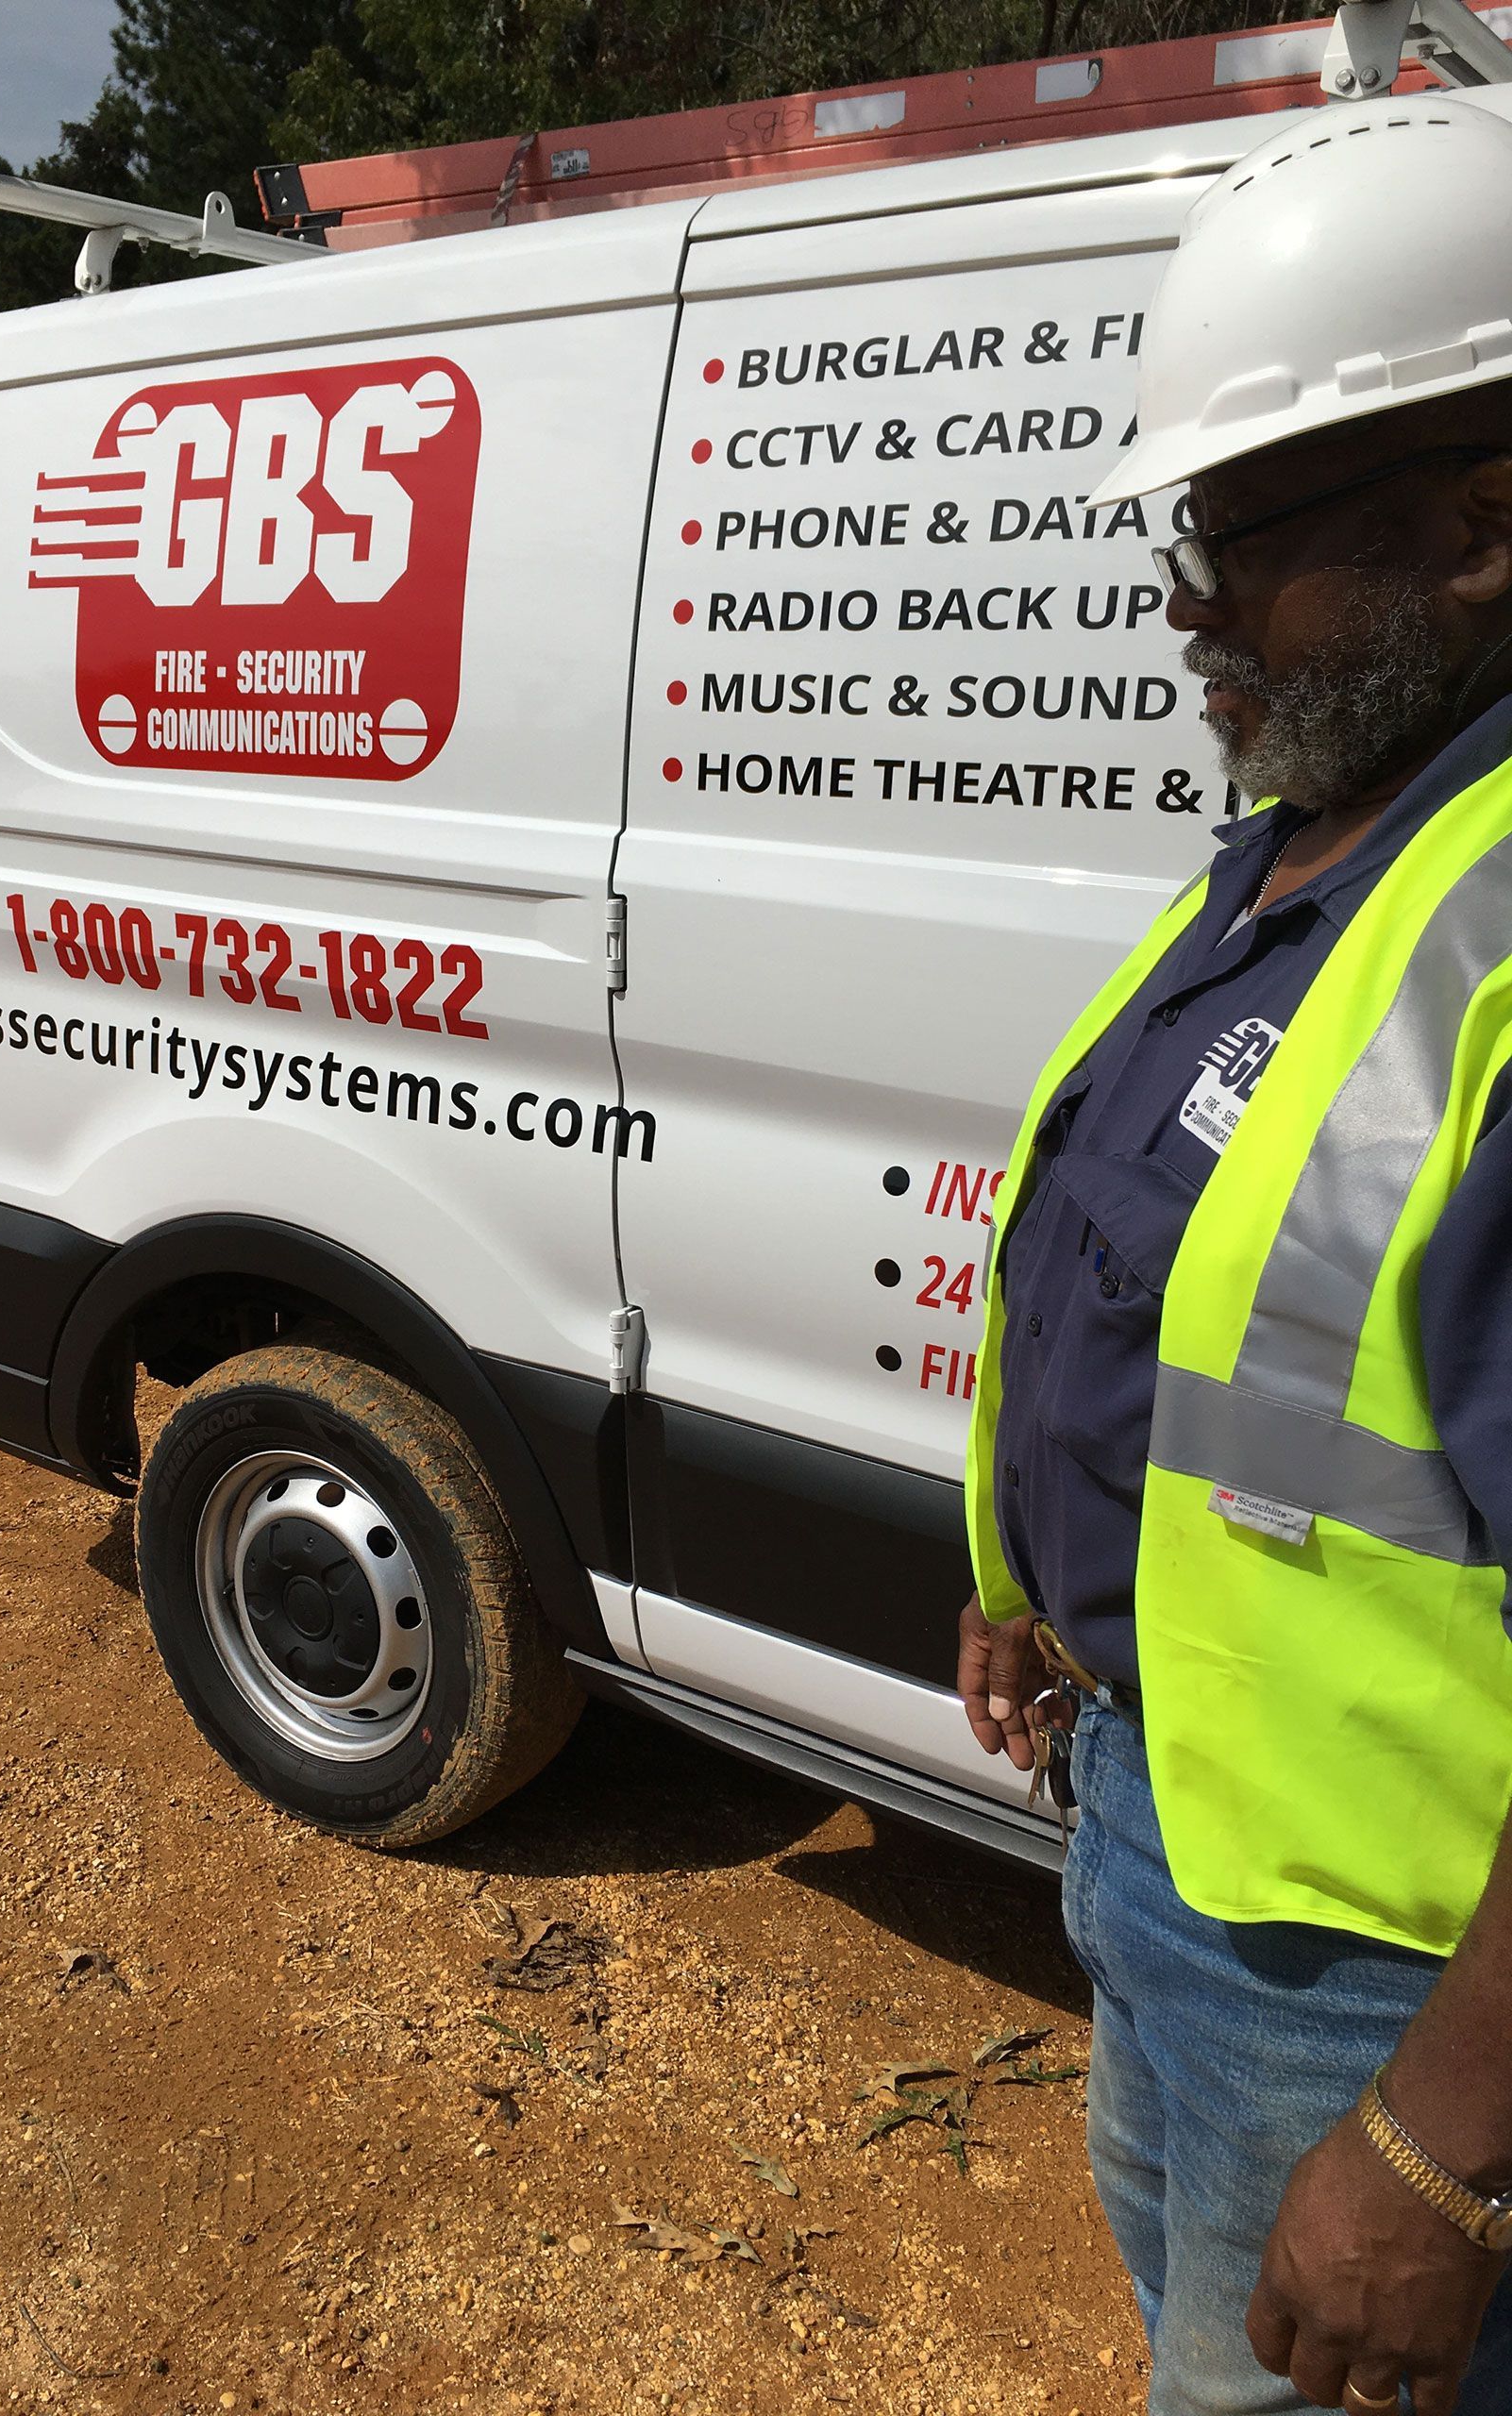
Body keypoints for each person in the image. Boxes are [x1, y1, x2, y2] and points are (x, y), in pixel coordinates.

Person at [957, 93, 1512, 2416]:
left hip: (1373, 1985)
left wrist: (1449, 2144)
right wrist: (1032, 1567)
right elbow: (1162, 1279)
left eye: (1238, 530)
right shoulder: (1317, 840)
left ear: (1483, 530)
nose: (1180, 600)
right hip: (1163, 1845)